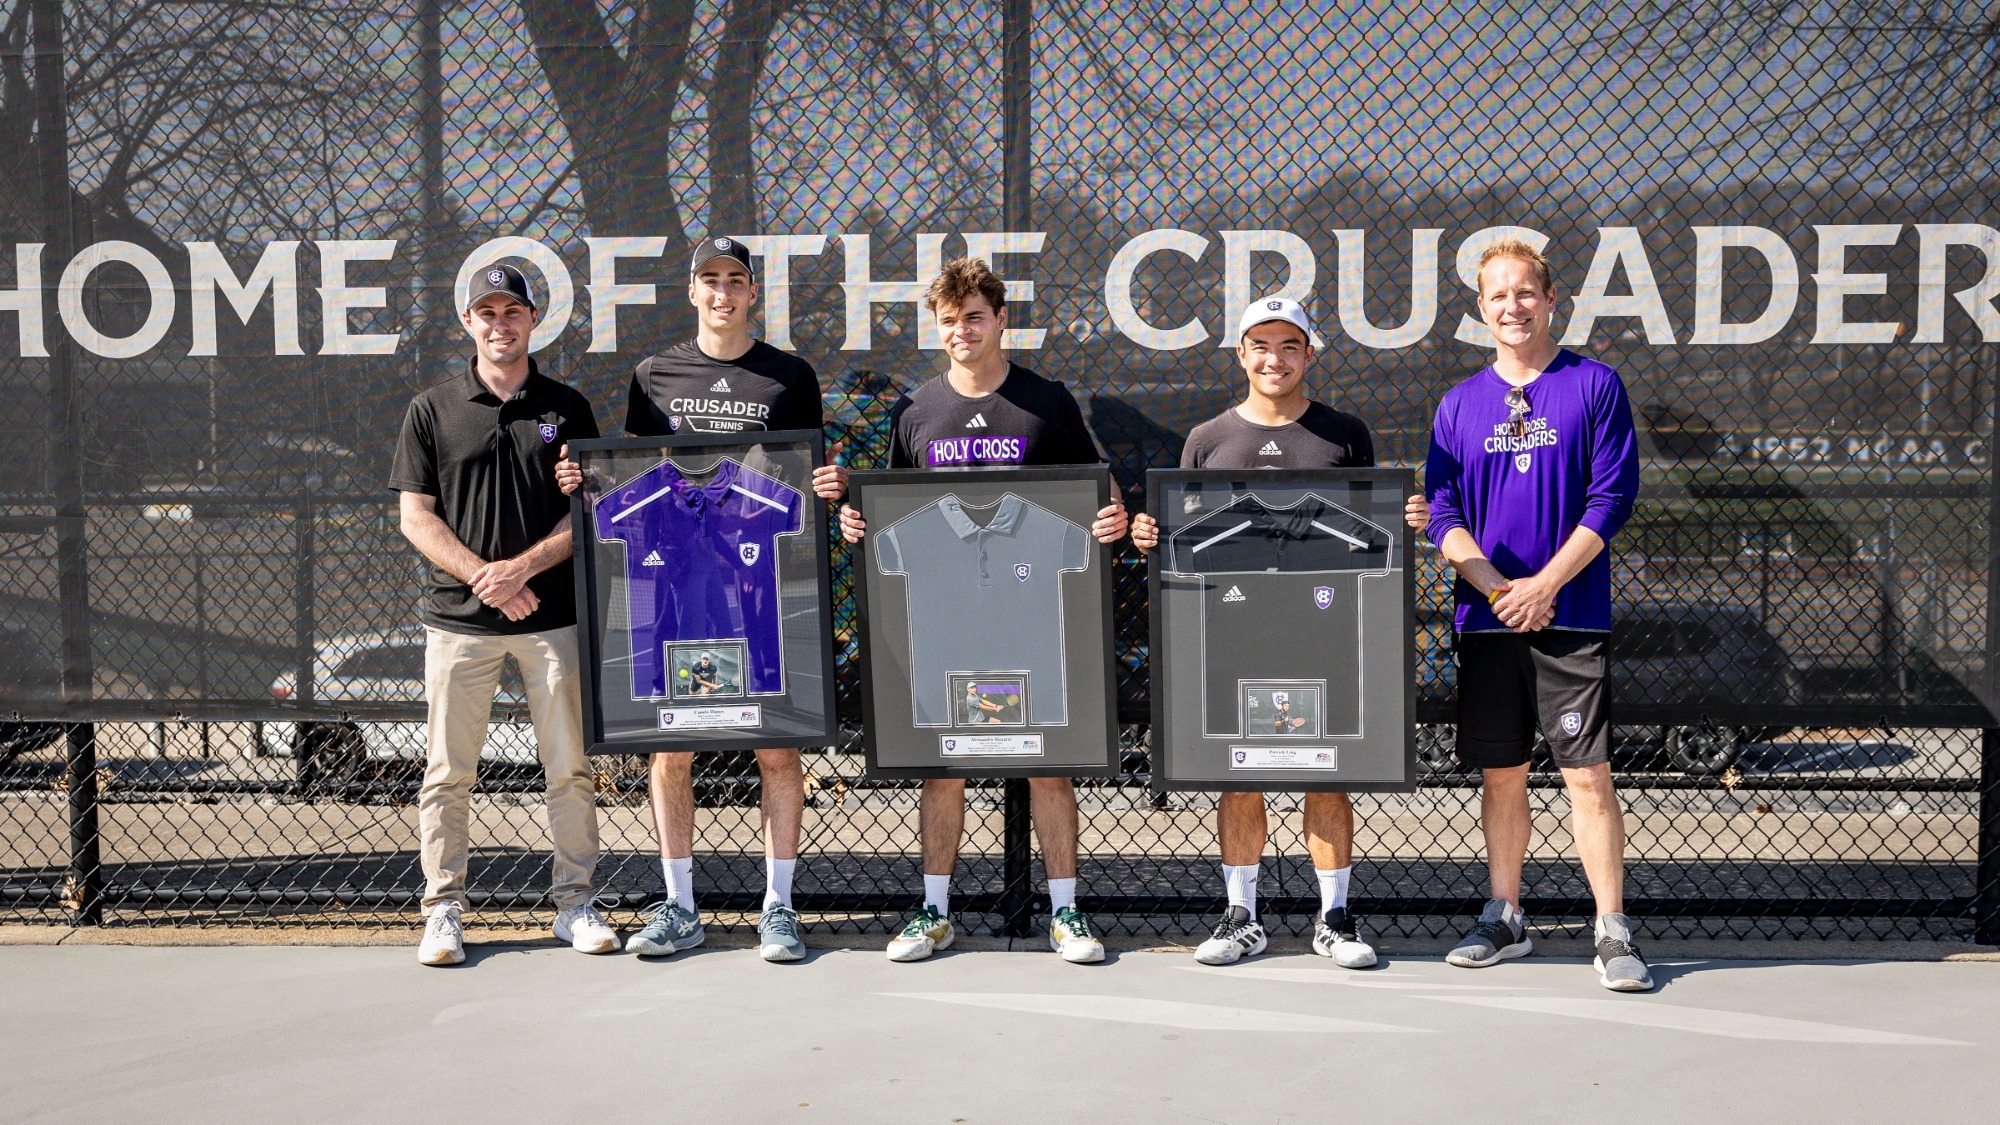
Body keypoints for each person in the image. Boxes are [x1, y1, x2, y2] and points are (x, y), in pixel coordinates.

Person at [556, 237, 846, 963]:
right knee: (672, 749)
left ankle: (779, 906)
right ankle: (680, 905)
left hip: (760, 589)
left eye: (736, 280)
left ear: (753, 293)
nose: (723, 292)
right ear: (692, 291)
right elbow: (636, 475)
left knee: (778, 748)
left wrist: (827, 486)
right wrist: (584, 483)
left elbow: (809, 473)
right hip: (680, 590)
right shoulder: (654, 375)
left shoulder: (789, 376)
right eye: (710, 280)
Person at [839, 257, 1129, 964]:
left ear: (1001, 320)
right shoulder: (918, 411)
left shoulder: (1044, 402)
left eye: (975, 316)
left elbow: (1099, 488)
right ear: (936, 329)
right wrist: (860, 522)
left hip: (1029, 617)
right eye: (949, 320)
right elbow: (894, 509)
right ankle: (934, 910)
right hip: (947, 624)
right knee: (944, 766)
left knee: (1049, 767)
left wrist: (1112, 515)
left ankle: (1067, 912)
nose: (962, 329)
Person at [1130, 297, 1427, 968]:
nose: (1274, 357)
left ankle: (1336, 918)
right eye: (1260, 344)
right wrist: (1153, 534)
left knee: (1330, 772)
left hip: (1323, 632)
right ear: (1241, 354)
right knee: (1241, 774)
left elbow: (1367, 530)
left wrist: (1404, 516)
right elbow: (1183, 537)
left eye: (1288, 344)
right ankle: (1242, 916)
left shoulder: (1343, 434)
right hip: (1235, 632)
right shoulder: (1208, 438)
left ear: (1308, 354)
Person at [1422, 238, 1652, 992]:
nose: (1513, 307)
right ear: (1479, 310)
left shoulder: (1594, 385)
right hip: (1490, 621)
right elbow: (1444, 512)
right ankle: (1506, 913)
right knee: (1503, 775)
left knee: (1587, 774)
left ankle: (1612, 927)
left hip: (1570, 614)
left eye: (1526, 293)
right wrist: (1498, 589)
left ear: (1552, 302)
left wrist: (1546, 582)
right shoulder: (1458, 403)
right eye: (1498, 296)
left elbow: (1612, 496)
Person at [390, 263, 616, 966]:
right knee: (448, 773)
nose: (499, 324)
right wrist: (487, 580)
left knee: (570, 769)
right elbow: (414, 516)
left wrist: (523, 569)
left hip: (552, 620)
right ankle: (444, 911)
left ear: (530, 320)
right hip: (458, 624)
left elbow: (592, 512)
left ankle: (575, 903)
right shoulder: (431, 409)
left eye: (511, 311)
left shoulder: (567, 407)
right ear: (468, 322)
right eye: (486, 312)